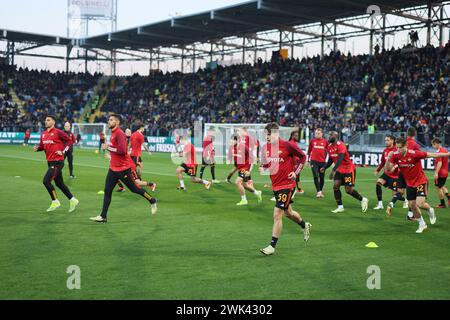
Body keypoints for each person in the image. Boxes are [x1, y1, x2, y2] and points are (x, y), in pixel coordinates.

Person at [90, 114, 157, 223]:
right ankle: (103, 216)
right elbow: (116, 150)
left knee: (135, 189)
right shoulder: (112, 133)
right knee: (107, 191)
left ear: (117, 122)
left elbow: (122, 151)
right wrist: (110, 150)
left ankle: (152, 200)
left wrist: (108, 147)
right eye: (109, 119)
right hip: (113, 169)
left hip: (122, 169)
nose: (108, 121)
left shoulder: (119, 133)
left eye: (111, 120)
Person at [259, 123, 311, 256]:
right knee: (288, 213)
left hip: (287, 185)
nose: (267, 137)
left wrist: (295, 172)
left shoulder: (288, 145)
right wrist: (263, 167)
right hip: (276, 185)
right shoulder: (265, 147)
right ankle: (304, 225)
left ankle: (272, 246)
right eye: (266, 134)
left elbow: (303, 157)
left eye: (269, 134)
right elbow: (267, 164)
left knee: (277, 214)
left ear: (276, 133)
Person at [385, 137, 449, 233]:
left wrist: (447, 154)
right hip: (410, 183)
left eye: (400, 147)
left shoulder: (414, 154)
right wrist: (388, 159)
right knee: (412, 205)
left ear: (406, 146)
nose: (398, 150)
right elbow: (388, 170)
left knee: (420, 203)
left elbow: (432, 154)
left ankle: (430, 209)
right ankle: (422, 224)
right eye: (397, 148)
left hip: (421, 181)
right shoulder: (395, 155)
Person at [33, 115, 79, 213]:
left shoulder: (58, 132)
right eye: (45, 120)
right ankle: (73, 200)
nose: (46, 121)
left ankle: (55, 201)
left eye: (48, 120)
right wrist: (38, 148)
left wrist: (63, 151)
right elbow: (42, 146)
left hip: (58, 162)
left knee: (46, 181)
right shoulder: (43, 134)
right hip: (50, 162)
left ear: (53, 122)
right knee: (59, 183)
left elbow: (69, 141)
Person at [321, 131, 369, 213]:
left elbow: (340, 158)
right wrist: (324, 167)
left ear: (335, 136)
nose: (328, 137)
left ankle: (363, 199)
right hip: (339, 170)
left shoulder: (341, 145)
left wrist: (333, 170)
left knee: (348, 190)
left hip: (348, 170)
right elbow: (330, 160)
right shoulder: (329, 147)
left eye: (330, 135)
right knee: (335, 187)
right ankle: (340, 207)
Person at [373, 135, 405, 215]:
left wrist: (394, 166)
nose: (386, 142)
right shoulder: (385, 150)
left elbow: (400, 162)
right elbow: (383, 162)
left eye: (387, 140)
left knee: (396, 194)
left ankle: (406, 200)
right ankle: (380, 204)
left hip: (395, 176)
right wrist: (378, 170)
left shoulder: (397, 150)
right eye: (385, 140)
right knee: (378, 183)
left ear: (392, 141)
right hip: (386, 174)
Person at [234, 132, 262, 206]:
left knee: (237, 182)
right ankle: (257, 193)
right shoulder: (234, 147)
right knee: (245, 185)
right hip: (240, 168)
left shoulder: (243, 146)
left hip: (244, 168)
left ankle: (244, 200)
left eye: (234, 140)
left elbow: (251, 157)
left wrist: (248, 170)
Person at [307, 128, 328, 198]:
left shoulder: (325, 142)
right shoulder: (312, 141)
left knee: (322, 178)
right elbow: (309, 151)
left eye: (318, 133)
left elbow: (328, 151)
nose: (317, 134)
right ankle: (318, 191)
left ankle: (320, 191)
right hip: (314, 162)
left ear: (322, 134)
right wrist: (307, 161)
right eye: (316, 133)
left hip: (322, 162)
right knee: (316, 176)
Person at [431, 138, 449, 208]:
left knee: (438, 188)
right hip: (445, 172)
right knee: (442, 186)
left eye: (433, 144)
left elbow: (439, 163)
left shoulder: (439, 152)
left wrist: (436, 173)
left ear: (437, 144)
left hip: (440, 173)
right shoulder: (445, 150)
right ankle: (449, 198)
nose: (432, 146)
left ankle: (442, 204)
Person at [289, 129, 304, 196]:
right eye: (295, 135)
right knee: (294, 177)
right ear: (292, 136)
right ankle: (294, 190)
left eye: (298, 135)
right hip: (292, 164)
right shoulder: (291, 143)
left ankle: (293, 191)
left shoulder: (294, 143)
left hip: (295, 164)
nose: (297, 136)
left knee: (295, 177)